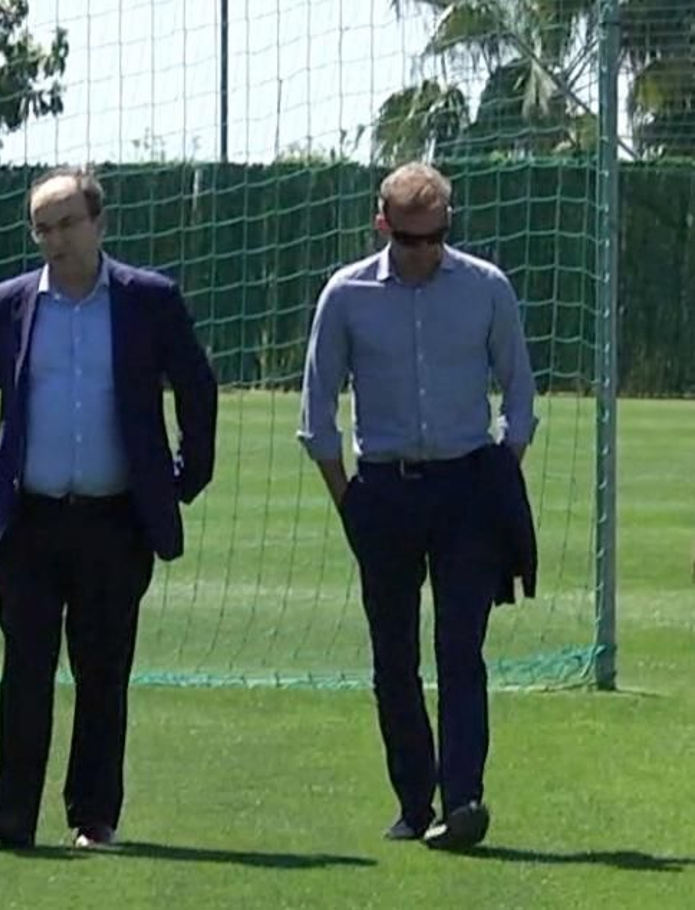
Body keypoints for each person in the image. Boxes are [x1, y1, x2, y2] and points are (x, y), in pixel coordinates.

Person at [0, 167, 218, 849]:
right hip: (29, 523)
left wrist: (179, 481)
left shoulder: (149, 300)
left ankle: (93, 817)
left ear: (99, 223)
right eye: (44, 226)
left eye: (69, 222)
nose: (57, 238)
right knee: (25, 673)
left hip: (114, 521)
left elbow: (196, 388)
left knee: (103, 674)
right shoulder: (6, 304)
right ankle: (12, 813)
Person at [297, 161, 538, 851]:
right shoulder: (345, 296)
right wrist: (348, 502)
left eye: (436, 238)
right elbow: (317, 410)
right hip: (384, 490)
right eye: (410, 239)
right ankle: (414, 799)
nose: (424, 253)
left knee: (461, 649)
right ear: (383, 225)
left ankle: (463, 800)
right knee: (393, 658)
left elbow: (519, 395)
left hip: (467, 488)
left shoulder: (487, 288)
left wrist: (500, 472)